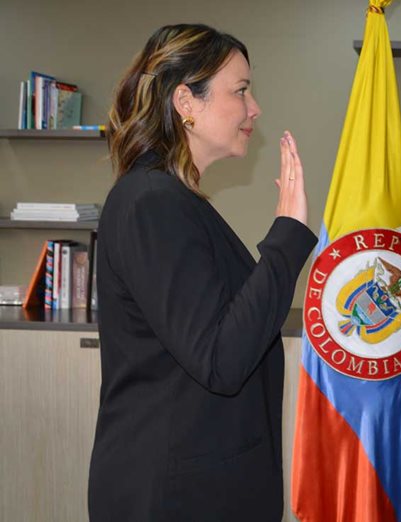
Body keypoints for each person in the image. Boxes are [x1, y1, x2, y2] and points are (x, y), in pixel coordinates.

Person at [88, 24, 317, 521]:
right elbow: (222, 358)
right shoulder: (152, 203)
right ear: (186, 102)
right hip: (174, 496)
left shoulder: (173, 200)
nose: (254, 108)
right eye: (240, 90)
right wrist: (288, 235)